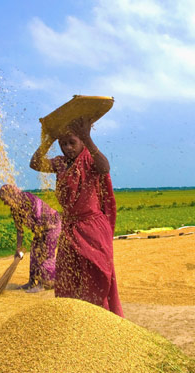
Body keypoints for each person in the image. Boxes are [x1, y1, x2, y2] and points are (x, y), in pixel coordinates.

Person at [29, 117, 123, 317]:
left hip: (92, 227)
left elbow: (105, 167)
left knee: (96, 274)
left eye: (72, 142)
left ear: (81, 141)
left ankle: (100, 319)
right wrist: (48, 140)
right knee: (68, 276)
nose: (67, 147)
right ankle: (74, 319)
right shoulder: (60, 163)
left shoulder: (90, 159)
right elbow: (35, 163)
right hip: (70, 228)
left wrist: (88, 139)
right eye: (63, 143)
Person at [0, 184, 60, 293]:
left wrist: (40, 237)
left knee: (45, 252)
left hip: (52, 226)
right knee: (34, 252)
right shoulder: (14, 209)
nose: (5, 202)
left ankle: (43, 283)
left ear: (11, 195)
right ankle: (31, 282)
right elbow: (19, 230)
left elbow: (38, 214)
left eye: (5, 199)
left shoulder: (27, 198)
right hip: (39, 229)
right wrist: (18, 248)